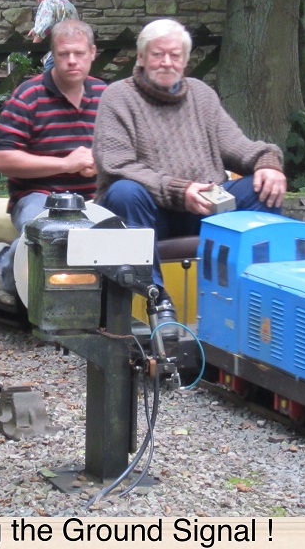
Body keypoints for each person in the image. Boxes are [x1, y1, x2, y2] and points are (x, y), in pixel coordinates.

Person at [92, 18, 287, 323]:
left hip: (206, 205)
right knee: (124, 192)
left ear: (184, 61)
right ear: (141, 58)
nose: (166, 62)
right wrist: (179, 190)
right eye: (158, 54)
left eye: (175, 55)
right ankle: (157, 302)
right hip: (150, 211)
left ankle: (261, 297)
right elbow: (116, 164)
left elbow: (236, 146)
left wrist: (268, 163)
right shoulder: (118, 96)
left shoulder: (201, 94)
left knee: (262, 190)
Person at [0, 19, 106, 304]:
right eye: (64, 54)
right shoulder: (29, 96)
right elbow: (0, 158)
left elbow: (128, 151)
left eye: (79, 53)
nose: (72, 61)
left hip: (95, 195)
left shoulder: (107, 96)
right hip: (37, 196)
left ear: (93, 53)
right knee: (54, 230)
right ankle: (6, 264)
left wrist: (101, 164)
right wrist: (64, 164)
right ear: (52, 56)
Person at [28, 0, 80, 70]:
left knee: (52, 83)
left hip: (55, 55)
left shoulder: (47, 3)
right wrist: (35, 29)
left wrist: (32, 52)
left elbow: (45, 28)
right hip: (73, 53)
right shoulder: (67, 3)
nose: (37, 1)